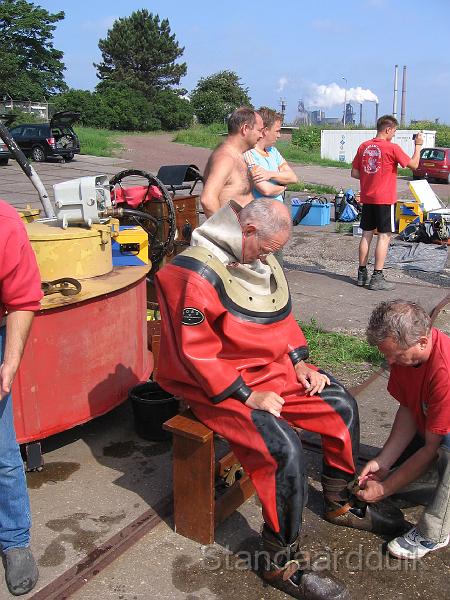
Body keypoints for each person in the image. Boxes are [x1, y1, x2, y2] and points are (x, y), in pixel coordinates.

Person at [155, 198, 404, 599]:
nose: (271, 256)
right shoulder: (196, 273)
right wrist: (246, 394)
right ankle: (279, 560)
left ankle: (339, 501)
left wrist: (300, 361)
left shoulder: (259, 254)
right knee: (282, 449)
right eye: (269, 247)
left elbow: (279, 314)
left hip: (268, 369)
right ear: (248, 231)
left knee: (340, 405)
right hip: (213, 383)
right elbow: (195, 352)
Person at [358, 300, 450, 560]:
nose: (390, 361)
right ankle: (436, 485)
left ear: (422, 342)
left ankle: (436, 532)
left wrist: (385, 489)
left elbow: (432, 448)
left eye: (396, 355)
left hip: (444, 440)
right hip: (435, 430)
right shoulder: (406, 359)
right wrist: (383, 462)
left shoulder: (445, 370)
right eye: (387, 355)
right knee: (392, 480)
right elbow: (409, 409)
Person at [0, 200, 42, 595]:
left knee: (1, 452)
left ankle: (15, 541)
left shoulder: (3, 222)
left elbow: (23, 297)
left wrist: (9, 365)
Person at [351, 116, 423, 290]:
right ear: (388, 129)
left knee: (366, 234)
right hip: (385, 199)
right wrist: (418, 145)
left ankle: (362, 273)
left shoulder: (364, 146)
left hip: (368, 198)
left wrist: (370, 177)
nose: (395, 134)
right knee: (384, 236)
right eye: (395, 131)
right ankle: (377, 277)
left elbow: (354, 173)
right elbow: (413, 165)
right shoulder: (392, 148)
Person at [200, 107, 264, 218]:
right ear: (245, 128)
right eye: (259, 130)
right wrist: (226, 232)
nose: (261, 135)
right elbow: (207, 199)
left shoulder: (238, 156)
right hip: (233, 232)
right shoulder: (225, 158)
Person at [243, 107, 298, 203]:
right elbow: (266, 190)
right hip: (259, 213)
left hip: (277, 212)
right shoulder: (248, 154)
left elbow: (293, 177)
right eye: (277, 131)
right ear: (265, 131)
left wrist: (269, 174)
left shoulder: (273, 151)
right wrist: (283, 187)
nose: (279, 135)